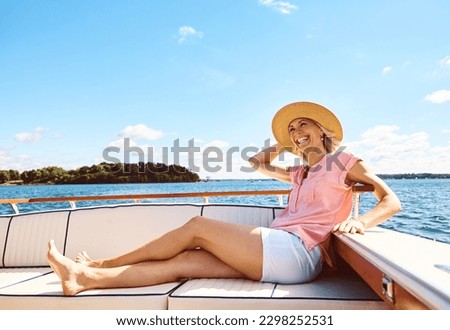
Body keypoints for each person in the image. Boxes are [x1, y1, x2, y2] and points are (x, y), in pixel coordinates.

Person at [47, 101, 401, 296]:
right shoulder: (299, 172)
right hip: (279, 251)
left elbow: (390, 200)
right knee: (185, 260)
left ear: (323, 131)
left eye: (304, 125)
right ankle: (83, 279)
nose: (297, 131)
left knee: (198, 227)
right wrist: (284, 140)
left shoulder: (343, 161)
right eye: (293, 128)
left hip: (298, 252)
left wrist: (360, 220)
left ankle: (102, 264)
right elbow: (257, 163)